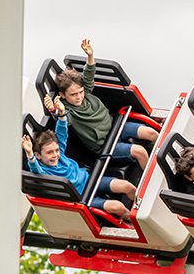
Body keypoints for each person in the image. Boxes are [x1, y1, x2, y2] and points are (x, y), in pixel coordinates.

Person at [22, 94, 136, 222]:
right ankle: (131, 220)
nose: (55, 155)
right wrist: (30, 154)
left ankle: (138, 208)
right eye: (49, 153)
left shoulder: (61, 155)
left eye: (56, 150)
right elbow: (36, 169)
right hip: (84, 197)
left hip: (91, 180)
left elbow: (62, 133)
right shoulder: (44, 172)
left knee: (127, 186)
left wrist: (61, 113)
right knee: (117, 206)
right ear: (38, 155)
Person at [55, 39, 158, 169]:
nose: (79, 97)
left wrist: (90, 56)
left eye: (80, 92)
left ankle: (162, 162)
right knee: (140, 152)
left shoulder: (85, 92)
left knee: (151, 133)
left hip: (116, 126)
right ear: (63, 95)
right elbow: (61, 119)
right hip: (105, 145)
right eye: (73, 94)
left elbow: (88, 75)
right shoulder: (69, 112)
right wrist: (57, 110)